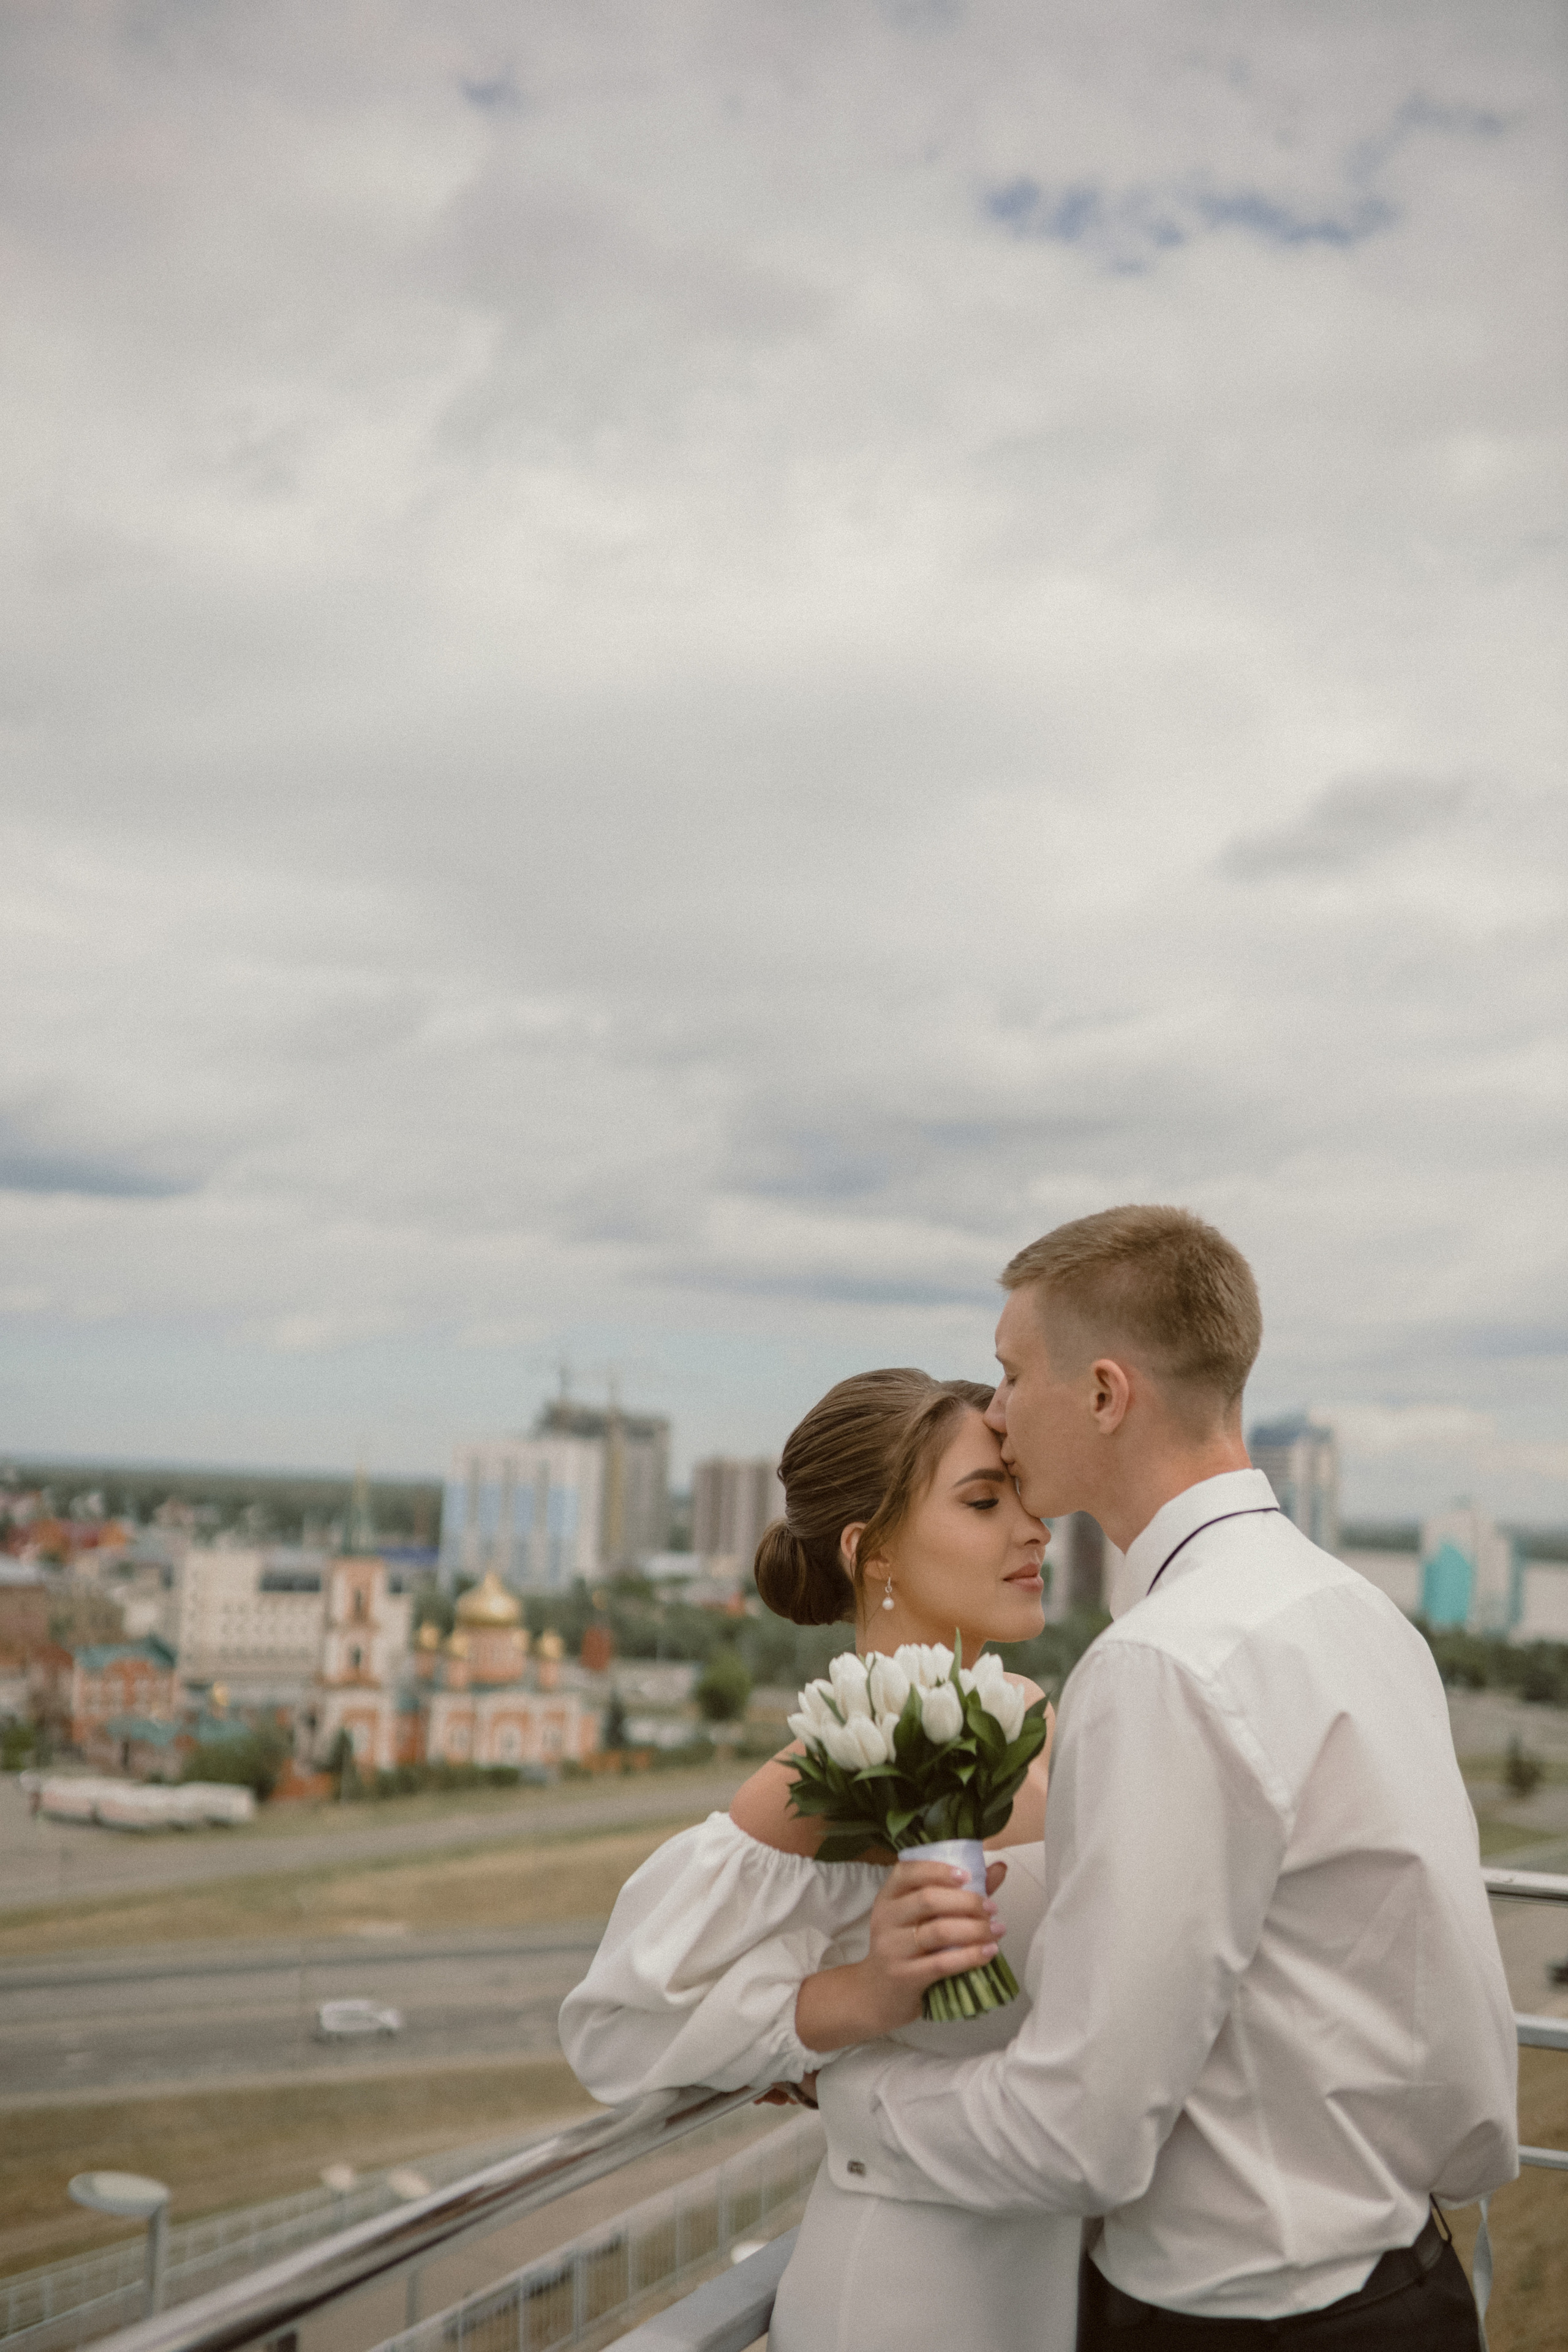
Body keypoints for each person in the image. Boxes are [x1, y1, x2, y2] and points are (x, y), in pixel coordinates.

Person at [817, 1205, 1518, 2349]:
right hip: (1412, 2283)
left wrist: (849, 2099)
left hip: (1242, 2320)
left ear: (1103, 1395)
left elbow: (1078, 2132)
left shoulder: (1164, 1665)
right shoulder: (1359, 1615)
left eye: (1008, 1374)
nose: (993, 1414)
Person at [558, 1368, 1084, 2351]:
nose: (1035, 1530)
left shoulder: (1043, 1720)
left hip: (1058, 2281)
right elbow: (618, 2031)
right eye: (984, 1501)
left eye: (1025, 1496)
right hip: (913, 2292)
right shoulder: (817, 1777)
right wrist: (858, 1999)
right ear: (871, 1548)